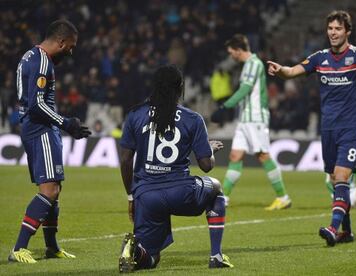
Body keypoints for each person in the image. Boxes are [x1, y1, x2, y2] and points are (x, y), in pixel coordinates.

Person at [267, 10, 356, 246]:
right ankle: (347, 232)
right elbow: (292, 72)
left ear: (347, 32)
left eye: (338, 29)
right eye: (330, 28)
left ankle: (332, 228)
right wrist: (281, 70)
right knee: (335, 180)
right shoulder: (319, 58)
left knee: (342, 176)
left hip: (351, 128)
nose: (333, 33)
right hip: (328, 129)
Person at [118, 65, 233, 272]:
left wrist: (131, 196)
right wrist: (209, 149)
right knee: (216, 189)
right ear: (181, 87)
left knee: (151, 257)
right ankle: (216, 255)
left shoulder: (135, 114)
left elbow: (126, 160)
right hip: (182, 193)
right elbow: (206, 166)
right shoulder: (192, 118)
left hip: (147, 196)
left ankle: (135, 251)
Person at [9, 19, 91, 263]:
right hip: (40, 129)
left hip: (39, 128)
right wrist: (66, 123)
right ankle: (19, 248)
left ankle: (52, 247)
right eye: (71, 46)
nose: (71, 51)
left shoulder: (30, 55)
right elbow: (36, 104)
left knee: (54, 188)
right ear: (61, 41)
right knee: (50, 189)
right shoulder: (42, 61)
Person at [211, 34, 291, 210]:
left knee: (263, 155)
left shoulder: (254, 63)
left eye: (231, 52)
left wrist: (225, 107)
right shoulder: (248, 65)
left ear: (239, 50)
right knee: (235, 156)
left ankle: (283, 197)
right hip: (245, 118)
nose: (231, 55)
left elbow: (245, 89)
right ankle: (224, 197)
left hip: (255, 118)